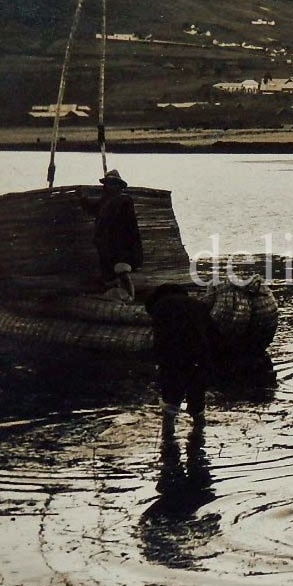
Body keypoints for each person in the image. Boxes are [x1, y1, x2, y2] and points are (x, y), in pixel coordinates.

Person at [144, 283, 219, 420]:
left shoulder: (161, 306)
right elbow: (213, 333)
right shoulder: (198, 304)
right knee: (197, 403)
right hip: (199, 357)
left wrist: (157, 361)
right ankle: (198, 433)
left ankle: (168, 436)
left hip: (174, 357)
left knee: (171, 402)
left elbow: (160, 339)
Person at [83, 169, 143, 300]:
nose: (109, 186)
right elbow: (94, 209)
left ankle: (130, 297)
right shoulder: (106, 201)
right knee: (111, 273)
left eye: (112, 184)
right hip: (108, 246)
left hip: (121, 245)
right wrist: (83, 200)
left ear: (118, 186)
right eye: (108, 184)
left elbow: (127, 227)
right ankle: (118, 296)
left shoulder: (124, 201)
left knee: (122, 271)